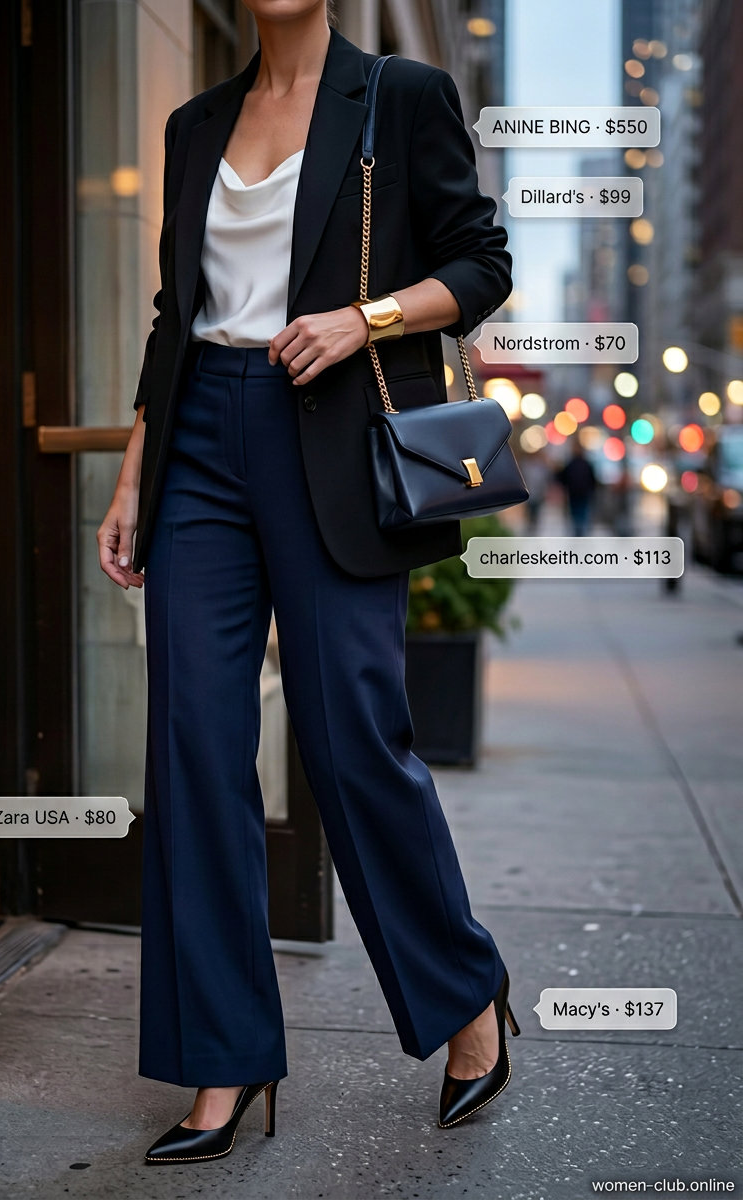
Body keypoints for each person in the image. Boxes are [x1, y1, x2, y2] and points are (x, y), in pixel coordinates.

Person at [97, 0, 519, 1165]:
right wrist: (135, 471)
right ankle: (223, 1056)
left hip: (326, 435)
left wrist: (361, 319)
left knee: (349, 741)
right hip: (197, 449)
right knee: (191, 746)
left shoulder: (398, 94)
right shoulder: (194, 125)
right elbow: (172, 318)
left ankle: (464, 1002)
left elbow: (479, 265)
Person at [555, 439, 598, 536]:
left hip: (582, 494)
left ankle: (580, 532)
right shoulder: (573, 464)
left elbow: (592, 480)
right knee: (577, 515)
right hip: (574, 495)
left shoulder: (583, 464)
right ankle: (579, 532)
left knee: (581, 514)